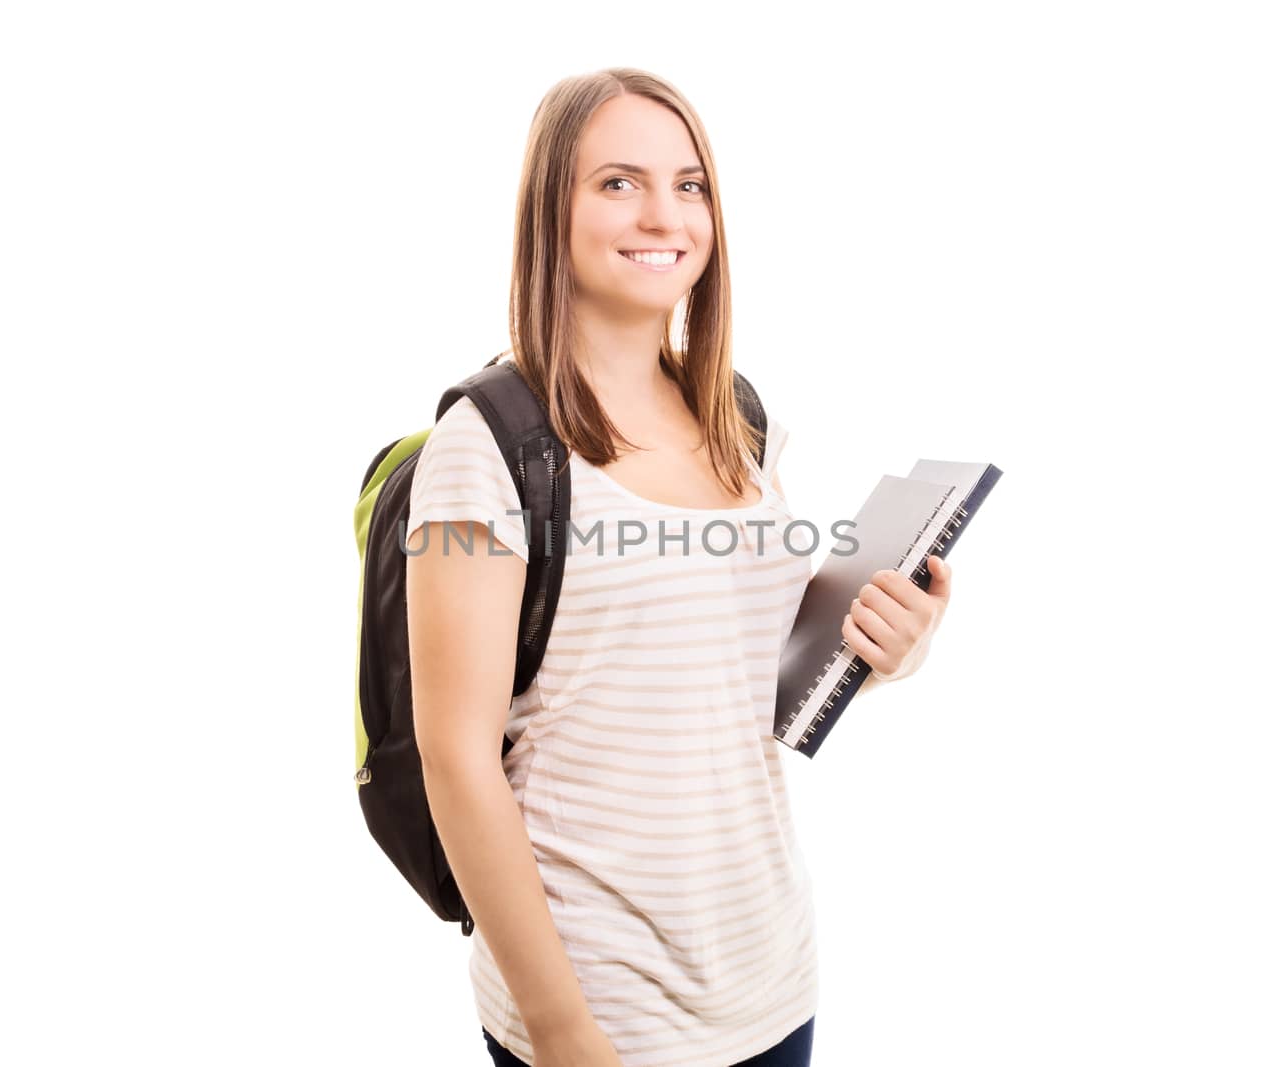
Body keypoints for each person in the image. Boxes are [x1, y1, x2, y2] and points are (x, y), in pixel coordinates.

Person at [403, 67, 952, 1067]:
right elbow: (456, 758)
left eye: (689, 184)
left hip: (770, 972)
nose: (664, 214)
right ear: (550, 208)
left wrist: (887, 650)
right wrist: (565, 1030)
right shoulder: (489, 447)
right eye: (617, 182)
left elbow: (751, 676)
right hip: (604, 1004)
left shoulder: (738, 418)